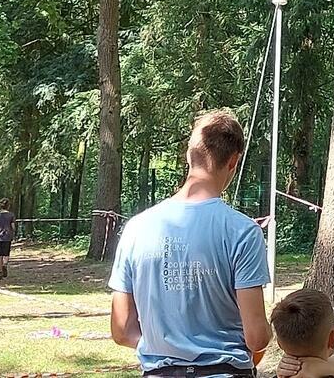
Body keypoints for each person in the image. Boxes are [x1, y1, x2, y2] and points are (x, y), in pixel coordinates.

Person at [108, 109, 271, 378]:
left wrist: (166, 349)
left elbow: (122, 329)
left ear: (189, 155)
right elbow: (256, 338)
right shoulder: (243, 232)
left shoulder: (136, 228)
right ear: (233, 161)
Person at [271, 288, 334, 378]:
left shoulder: (281, 375)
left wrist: (316, 366)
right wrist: (330, 370)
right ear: (332, 339)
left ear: (279, 343)